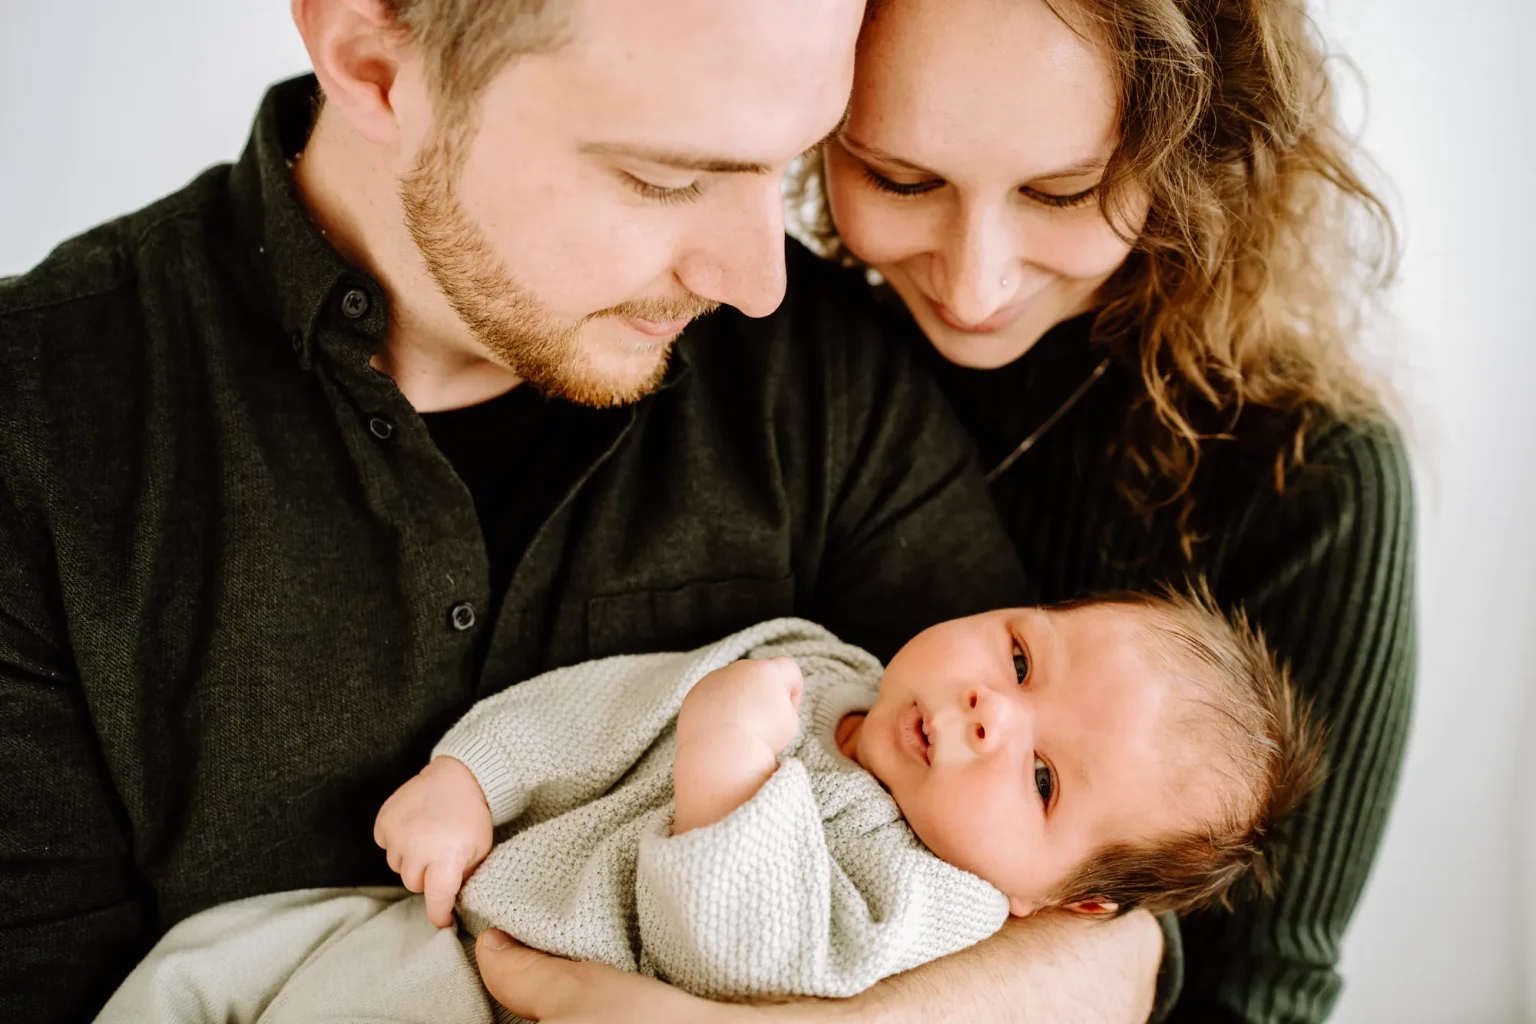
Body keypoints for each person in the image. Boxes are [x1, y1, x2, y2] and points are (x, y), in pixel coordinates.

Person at [0, 1, 1167, 1022]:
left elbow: (1112, 919)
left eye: (790, 161)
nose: (758, 280)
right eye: (667, 174)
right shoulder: (41, 428)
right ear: (372, 64)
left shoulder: (822, 376)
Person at [772, 0, 1414, 1020]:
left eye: (1065, 194)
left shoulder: (1308, 477)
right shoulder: (780, 347)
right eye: (899, 178)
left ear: (1193, 150)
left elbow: (1253, 992)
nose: (974, 283)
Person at [95, 596, 1319, 1022]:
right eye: (1019, 652)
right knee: (203, 963)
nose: (996, 711)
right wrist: (474, 777)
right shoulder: (821, 660)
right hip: (447, 915)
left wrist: (732, 776)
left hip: (508, 998)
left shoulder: (932, 900)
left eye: (1046, 780)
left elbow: (734, 966)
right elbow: (609, 709)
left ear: (1065, 899)